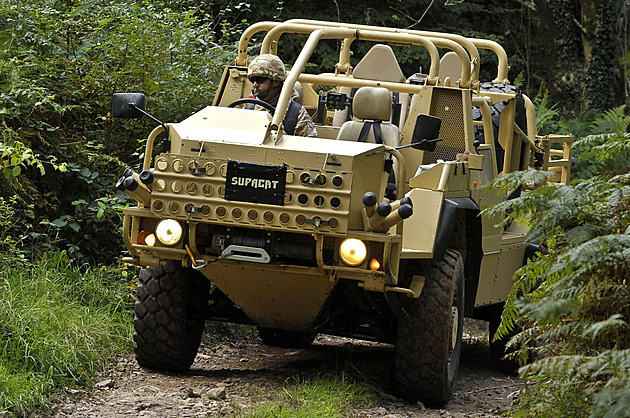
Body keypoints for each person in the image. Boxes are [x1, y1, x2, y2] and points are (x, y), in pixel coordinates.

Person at [247, 54, 317, 137]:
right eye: (253, 80)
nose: (255, 85)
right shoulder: (249, 108)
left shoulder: (295, 113)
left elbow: (307, 146)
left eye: (260, 80)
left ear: (276, 82)